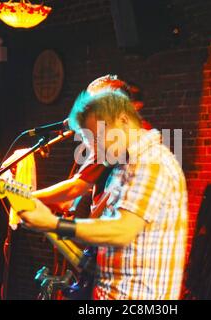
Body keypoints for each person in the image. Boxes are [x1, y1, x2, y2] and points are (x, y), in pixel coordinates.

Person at [19, 88, 188, 300]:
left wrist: (54, 225)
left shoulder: (151, 163)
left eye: (97, 139)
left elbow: (122, 230)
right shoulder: (122, 167)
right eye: (89, 143)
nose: (94, 151)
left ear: (123, 120)